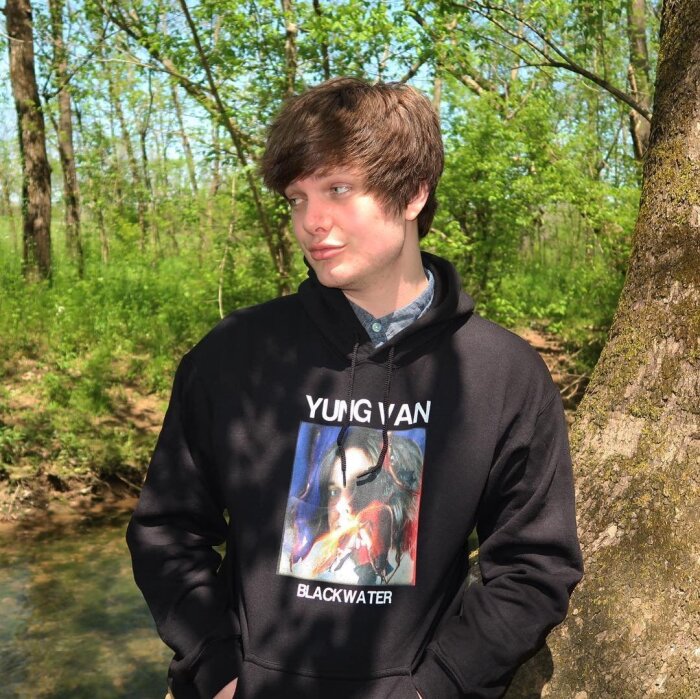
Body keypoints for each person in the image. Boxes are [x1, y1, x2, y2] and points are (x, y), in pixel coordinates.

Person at [128, 77, 583, 699]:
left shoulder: (501, 373)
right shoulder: (235, 356)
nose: (311, 222)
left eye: (338, 189)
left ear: (414, 193)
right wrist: (216, 667)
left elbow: (535, 566)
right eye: (297, 198)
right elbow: (166, 530)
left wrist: (436, 688)